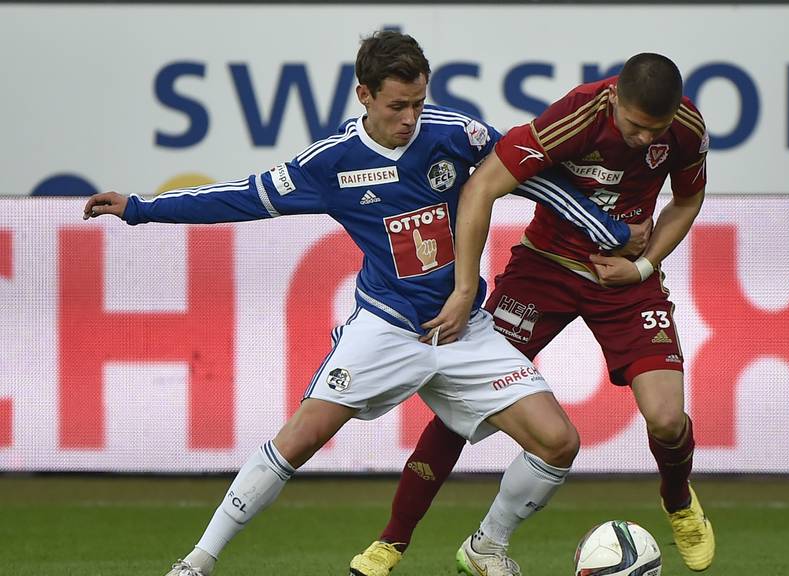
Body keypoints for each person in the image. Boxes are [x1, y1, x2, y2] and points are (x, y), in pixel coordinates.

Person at [82, 31, 648, 576]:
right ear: (365, 96)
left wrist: (608, 229)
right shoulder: (330, 164)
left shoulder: (457, 135)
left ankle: (486, 546)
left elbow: (530, 177)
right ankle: (198, 560)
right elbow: (242, 197)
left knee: (559, 442)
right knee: (298, 439)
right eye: (399, 105)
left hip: (462, 329)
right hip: (386, 328)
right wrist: (140, 207)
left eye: (419, 102)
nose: (411, 118)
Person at [350, 52, 715, 575]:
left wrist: (642, 268)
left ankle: (678, 501)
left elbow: (686, 201)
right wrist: (463, 288)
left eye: (652, 130)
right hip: (544, 269)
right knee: (462, 403)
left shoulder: (683, 127)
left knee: (665, 417)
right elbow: (481, 188)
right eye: (634, 126)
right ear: (615, 100)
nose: (642, 139)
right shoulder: (575, 116)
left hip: (625, 281)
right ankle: (391, 542)